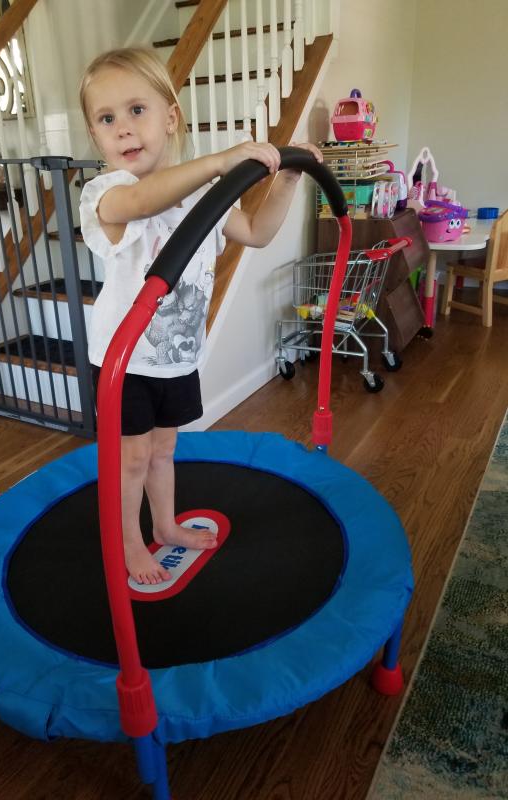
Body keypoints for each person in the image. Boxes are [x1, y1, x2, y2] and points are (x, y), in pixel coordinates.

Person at [79, 47, 322, 585]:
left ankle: (164, 526)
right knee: (132, 461)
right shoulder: (107, 194)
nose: (123, 128)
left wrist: (285, 181)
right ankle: (128, 543)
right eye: (106, 118)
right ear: (95, 137)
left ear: (170, 117)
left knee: (164, 450)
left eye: (136, 110)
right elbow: (141, 202)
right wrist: (218, 161)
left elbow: (257, 234)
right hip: (127, 363)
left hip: (178, 357)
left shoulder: (205, 200)